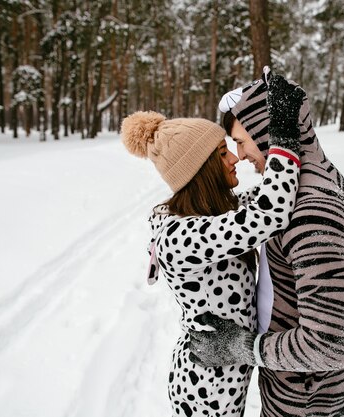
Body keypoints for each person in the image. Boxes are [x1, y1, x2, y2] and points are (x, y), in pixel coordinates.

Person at [120, 75, 305, 417]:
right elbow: (271, 211)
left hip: (225, 373)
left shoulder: (215, 214)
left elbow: (260, 203)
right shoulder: (182, 237)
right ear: (201, 170)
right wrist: (283, 132)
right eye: (223, 153)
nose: (234, 158)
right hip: (205, 387)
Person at [189, 70, 344, 417]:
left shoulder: (313, 212)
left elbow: (329, 345)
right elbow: (263, 204)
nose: (239, 155)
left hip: (307, 398)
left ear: (265, 131)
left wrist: (241, 347)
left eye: (241, 142)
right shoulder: (306, 178)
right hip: (304, 387)